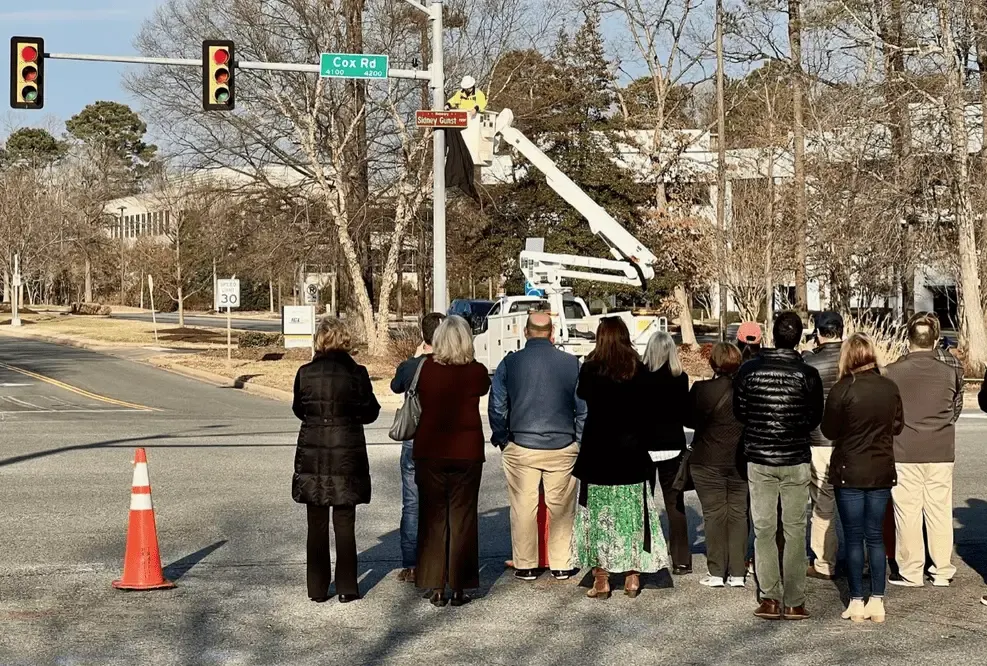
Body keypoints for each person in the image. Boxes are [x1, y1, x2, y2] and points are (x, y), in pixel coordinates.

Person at [734, 311, 823, 621]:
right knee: (796, 529)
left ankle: (770, 598)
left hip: (760, 456)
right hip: (795, 456)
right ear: (799, 337)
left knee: (764, 529)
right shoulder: (808, 374)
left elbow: (741, 411)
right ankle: (796, 600)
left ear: (772, 335)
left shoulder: (749, 370)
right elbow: (814, 418)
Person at [572, 317, 669, 600]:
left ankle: (601, 578)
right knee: (633, 518)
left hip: (598, 453)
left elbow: (582, 396)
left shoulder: (590, 369)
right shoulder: (640, 370)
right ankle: (632, 576)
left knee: (598, 518)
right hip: (632, 454)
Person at [489, 311, 586, 582]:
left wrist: (502, 437)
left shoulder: (510, 363)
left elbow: (497, 405)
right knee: (562, 508)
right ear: (552, 332)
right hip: (563, 444)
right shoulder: (572, 364)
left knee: (523, 506)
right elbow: (583, 408)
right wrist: (578, 439)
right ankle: (562, 564)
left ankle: (526, 564)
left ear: (525, 332)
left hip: (521, 444)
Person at [291, 317, 381, 604]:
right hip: (347, 451)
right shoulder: (358, 373)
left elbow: (299, 409)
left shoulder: (305, 373)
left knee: (315, 522)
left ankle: (317, 587)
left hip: (314, 452)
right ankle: (347, 586)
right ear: (344, 340)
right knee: (344, 522)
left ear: (318, 340)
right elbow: (370, 412)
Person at [821, 333, 903, 623]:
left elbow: (829, 430)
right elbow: (897, 426)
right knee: (876, 536)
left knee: (854, 538)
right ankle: (877, 600)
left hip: (849, 470)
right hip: (881, 468)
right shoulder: (889, 387)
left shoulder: (842, 389)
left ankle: (856, 600)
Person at [413, 316, 491, 607]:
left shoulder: (425, 370)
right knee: (463, 518)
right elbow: (483, 388)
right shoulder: (477, 372)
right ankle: (460, 585)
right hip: (467, 451)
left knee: (433, 518)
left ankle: (435, 585)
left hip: (430, 449)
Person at [885, 312, 962, 588]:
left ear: (908, 338)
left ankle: (911, 570)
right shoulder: (950, 372)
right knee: (939, 511)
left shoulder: (892, 371)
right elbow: (954, 409)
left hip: (905, 449)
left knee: (907, 512)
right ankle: (942, 570)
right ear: (935, 340)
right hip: (941, 449)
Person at [390, 312, 446, 584]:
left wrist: (415, 358)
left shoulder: (410, 366)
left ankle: (411, 565)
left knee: (412, 504)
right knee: (440, 503)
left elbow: (394, 386)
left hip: (413, 439)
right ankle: (439, 559)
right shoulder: (452, 366)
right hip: (441, 440)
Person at [685, 342, 748, 588]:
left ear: (713, 363)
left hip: (707, 459)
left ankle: (716, 571)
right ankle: (738, 572)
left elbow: (688, 419)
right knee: (738, 514)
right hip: (740, 459)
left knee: (713, 514)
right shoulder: (746, 390)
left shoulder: (701, 389)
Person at [640, 330, 692, 575]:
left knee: (643, 503)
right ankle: (681, 559)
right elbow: (685, 415)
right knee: (675, 504)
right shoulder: (681, 378)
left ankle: (644, 554)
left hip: (644, 447)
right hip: (672, 445)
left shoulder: (639, 378)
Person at [801, 311, 844, 581]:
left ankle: (825, 561)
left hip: (819, 438)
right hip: (852, 439)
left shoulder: (810, 362)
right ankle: (860, 559)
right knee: (855, 500)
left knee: (822, 501)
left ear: (818, 332)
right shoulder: (855, 357)